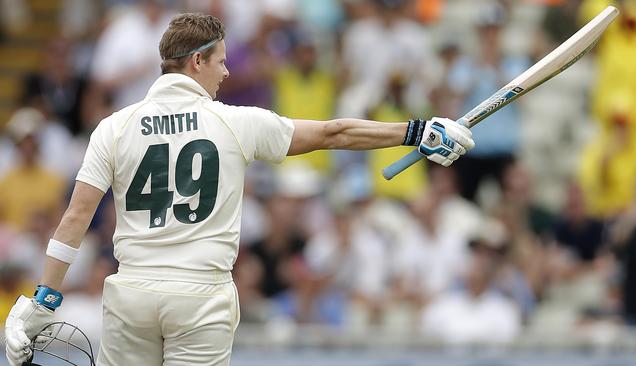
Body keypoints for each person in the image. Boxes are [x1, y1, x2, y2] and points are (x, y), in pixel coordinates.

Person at [4, 13, 475, 366]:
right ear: (196, 61)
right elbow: (333, 133)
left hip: (130, 295)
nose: (226, 74)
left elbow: (74, 219)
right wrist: (418, 132)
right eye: (221, 63)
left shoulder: (114, 126)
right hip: (199, 297)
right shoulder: (234, 123)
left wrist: (44, 299)